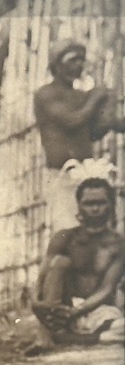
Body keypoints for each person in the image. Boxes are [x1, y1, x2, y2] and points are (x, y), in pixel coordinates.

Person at [26, 176, 125, 355]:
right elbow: (42, 276)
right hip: (60, 310)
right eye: (88, 203)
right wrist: (36, 302)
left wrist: (76, 311)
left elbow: (107, 288)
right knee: (60, 263)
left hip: (98, 311)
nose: (95, 209)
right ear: (79, 204)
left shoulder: (118, 243)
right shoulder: (64, 238)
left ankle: (71, 339)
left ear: (111, 204)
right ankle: (45, 337)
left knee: (121, 327)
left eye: (101, 202)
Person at [34, 41, 124, 231]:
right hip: (61, 174)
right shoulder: (45, 94)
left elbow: (93, 132)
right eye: (73, 59)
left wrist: (109, 116)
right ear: (57, 64)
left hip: (87, 174)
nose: (79, 65)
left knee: (95, 232)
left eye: (82, 60)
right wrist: (97, 97)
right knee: (69, 228)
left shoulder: (82, 97)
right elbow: (71, 121)